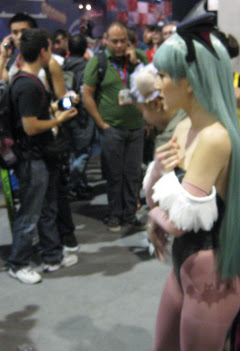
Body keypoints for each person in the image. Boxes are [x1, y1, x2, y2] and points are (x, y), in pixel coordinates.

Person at [143, 13, 240, 351]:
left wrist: (155, 214)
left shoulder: (214, 138)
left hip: (211, 274)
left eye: (163, 75)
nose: (158, 83)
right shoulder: (184, 127)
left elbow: (179, 220)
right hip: (184, 266)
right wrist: (159, 175)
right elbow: (157, 199)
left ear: (188, 81)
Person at [5, 29, 78, 284]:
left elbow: (44, 110)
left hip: (40, 156)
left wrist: (65, 104)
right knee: (30, 213)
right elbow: (31, 126)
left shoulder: (28, 81)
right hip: (32, 157)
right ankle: (18, 263)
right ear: (43, 52)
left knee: (46, 208)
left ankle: (51, 256)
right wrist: (58, 119)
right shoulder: (27, 85)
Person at [82, 21, 144, 232]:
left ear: (129, 41)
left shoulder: (139, 58)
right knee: (114, 174)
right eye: (114, 41)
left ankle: (130, 214)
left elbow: (151, 88)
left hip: (136, 128)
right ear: (106, 40)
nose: (119, 46)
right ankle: (114, 214)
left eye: (123, 41)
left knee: (133, 174)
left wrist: (137, 63)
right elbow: (87, 94)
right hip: (112, 129)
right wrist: (101, 123)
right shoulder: (98, 61)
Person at [62, 33, 96, 201]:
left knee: (72, 153)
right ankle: (71, 186)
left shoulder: (61, 66)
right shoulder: (88, 67)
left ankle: (80, 186)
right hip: (83, 116)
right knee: (82, 153)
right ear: (85, 49)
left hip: (64, 113)